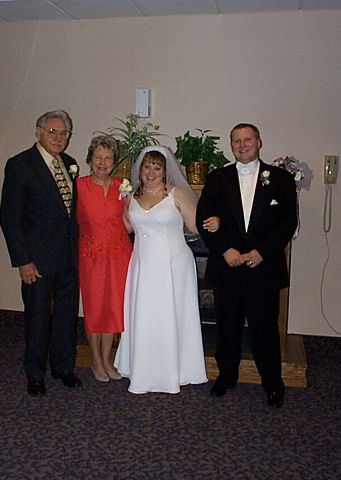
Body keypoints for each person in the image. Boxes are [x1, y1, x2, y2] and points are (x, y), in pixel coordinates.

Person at [196, 122, 297, 408]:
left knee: (265, 330)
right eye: (236, 141)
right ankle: (226, 377)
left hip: (262, 268)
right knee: (227, 328)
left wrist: (262, 252)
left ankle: (272, 383)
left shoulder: (281, 179)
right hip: (228, 267)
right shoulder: (217, 178)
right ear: (231, 146)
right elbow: (204, 220)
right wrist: (225, 250)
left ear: (259, 142)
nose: (242, 145)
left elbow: (287, 223)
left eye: (247, 139)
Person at [114, 146, 219, 394]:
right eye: (147, 167)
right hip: (142, 265)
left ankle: (175, 370)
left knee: (171, 315)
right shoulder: (132, 196)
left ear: (165, 171)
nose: (151, 172)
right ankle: (143, 368)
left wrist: (216, 221)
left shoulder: (176, 194)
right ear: (140, 169)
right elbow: (128, 228)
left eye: (157, 167)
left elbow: (196, 226)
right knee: (145, 316)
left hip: (174, 266)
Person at [0, 110, 82, 397]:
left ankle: (63, 368)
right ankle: (35, 374)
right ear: (38, 132)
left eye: (64, 133)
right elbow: (9, 218)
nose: (58, 137)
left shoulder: (69, 163)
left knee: (66, 316)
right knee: (37, 319)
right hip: (36, 260)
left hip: (68, 257)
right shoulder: (20, 165)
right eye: (52, 132)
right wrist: (22, 260)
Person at [76, 135, 133, 383]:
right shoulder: (79, 186)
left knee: (113, 307)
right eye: (98, 157)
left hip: (119, 255)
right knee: (95, 308)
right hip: (91, 256)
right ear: (90, 159)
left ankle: (108, 359)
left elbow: (130, 224)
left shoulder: (123, 186)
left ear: (114, 161)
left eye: (108, 158)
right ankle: (96, 360)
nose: (102, 162)